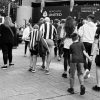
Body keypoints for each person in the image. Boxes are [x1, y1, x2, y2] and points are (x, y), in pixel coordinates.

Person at [78, 14, 97, 79]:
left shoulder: (84, 26)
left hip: (85, 42)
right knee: (90, 57)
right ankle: (88, 70)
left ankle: (86, 69)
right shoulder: (95, 26)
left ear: (88, 18)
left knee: (83, 56)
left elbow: (80, 34)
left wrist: (80, 29)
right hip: (92, 43)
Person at [91, 24, 100, 91]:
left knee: (98, 67)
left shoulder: (99, 29)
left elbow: (95, 42)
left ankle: (98, 85)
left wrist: (92, 54)